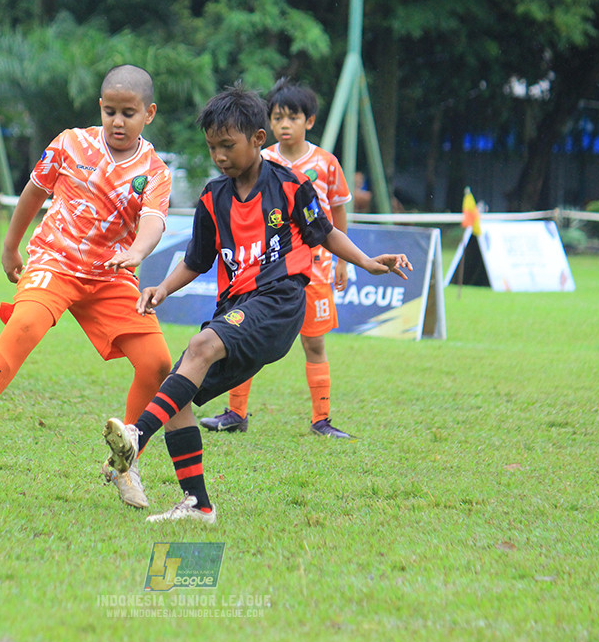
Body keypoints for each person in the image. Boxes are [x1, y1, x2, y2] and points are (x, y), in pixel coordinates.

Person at [101, 84, 412, 523]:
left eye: (228, 146)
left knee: (200, 346)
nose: (220, 156)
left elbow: (324, 232)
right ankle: (198, 503)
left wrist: (365, 261)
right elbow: (197, 259)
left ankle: (136, 436)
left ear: (258, 140)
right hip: (237, 307)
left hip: (280, 301)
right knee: (176, 394)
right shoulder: (213, 197)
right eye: (212, 148)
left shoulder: (290, 186)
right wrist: (163, 289)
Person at [0, 65, 173, 511]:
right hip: (54, 261)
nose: (118, 121)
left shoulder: (153, 172)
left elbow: (154, 222)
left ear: (148, 114)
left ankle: (125, 464)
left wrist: (136, 252)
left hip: (111, 273)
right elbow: (34, 192)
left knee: (157, 365)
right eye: (111, 111)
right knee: (25, 325)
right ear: (101, 107)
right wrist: (9, 246)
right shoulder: (70, 143)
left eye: (129, 113)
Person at [199, 77, 354, 439]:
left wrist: (345, 261)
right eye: (278, 117)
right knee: (246, 336)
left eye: (292, 118)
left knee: (314, 343)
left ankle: (321, 419)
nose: (284, 125)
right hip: (263, 268)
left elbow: (335, 215)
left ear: (309, 121)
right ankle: (235, 413)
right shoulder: (260, 158)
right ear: (266, 126)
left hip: (314, 267)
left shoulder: (326, 163)